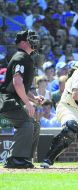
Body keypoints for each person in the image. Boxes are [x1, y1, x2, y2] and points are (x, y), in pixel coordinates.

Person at [0, 30, 43, 168]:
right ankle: (16, 159)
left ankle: (24, 158)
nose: (34, 41)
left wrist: (33, 98)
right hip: (6, 99)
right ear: (23, 42)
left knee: (34, 125)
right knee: (26, 123)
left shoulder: (25, 57)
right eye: (31, 38)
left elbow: (21, 87)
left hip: (11, 99)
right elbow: (16, 82)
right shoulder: (21, 57)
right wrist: (28, 103)